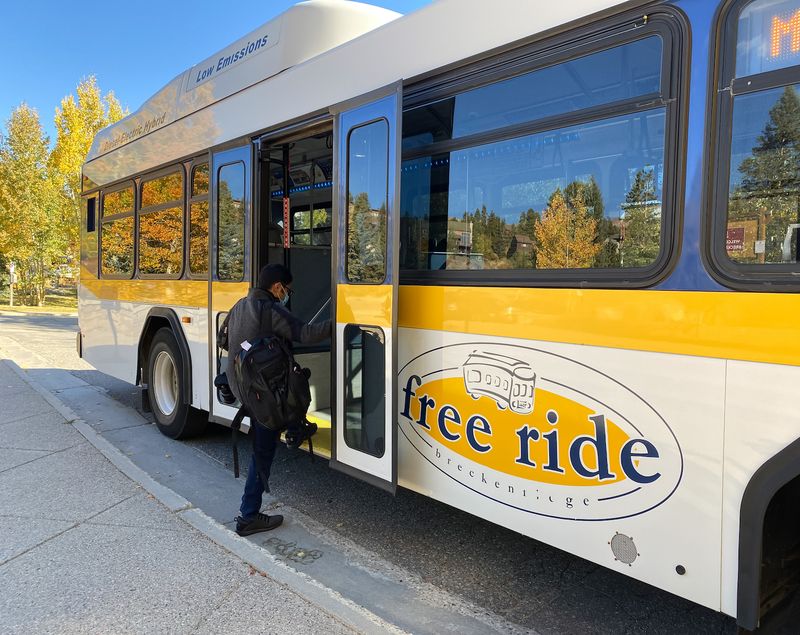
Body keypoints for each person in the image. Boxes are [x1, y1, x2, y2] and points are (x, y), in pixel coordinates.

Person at [224, 263, 331, 536]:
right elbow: (306, 334)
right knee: (263, 450)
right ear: (276, 287)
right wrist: (341, 322)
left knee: (294, 390)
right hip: (262, 395)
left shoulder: (239, 305)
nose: (287, 294)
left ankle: (296, 428)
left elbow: (223, 338)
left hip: (245, 388)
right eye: (287, 289)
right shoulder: (270, 310)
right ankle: (248, 516)